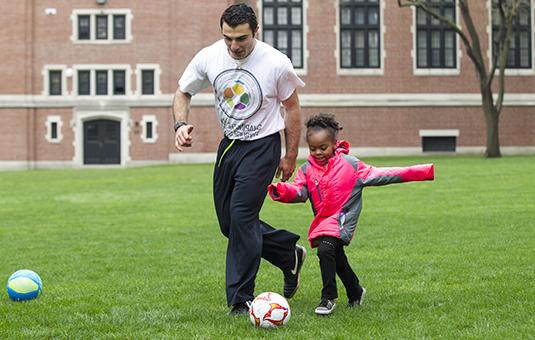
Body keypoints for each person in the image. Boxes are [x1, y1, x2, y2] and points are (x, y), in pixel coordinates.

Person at [172, 3, 306, 315]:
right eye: (228, 38)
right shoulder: (209, 56)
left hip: (263, 146)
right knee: (228, 223)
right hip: (230, 146)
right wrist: (180, 124)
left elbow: (292, 107)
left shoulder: (276, 62)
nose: (234, 46)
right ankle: (287, 253)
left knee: (243, 216)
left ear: (255, 32)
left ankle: (240, 299)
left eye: (241, 39)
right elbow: (182, 92)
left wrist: (290, 154)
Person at [268, 113, 434, 315]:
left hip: (342, 220)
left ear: (334, 143)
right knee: (337, 258)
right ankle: (355, 291)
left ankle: (328, 297)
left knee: (325, 250)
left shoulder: (351, 165)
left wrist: (422, 171)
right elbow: (301, 192)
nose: (318, 152)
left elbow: (385, 174)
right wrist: (283, 190)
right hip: (323, 221)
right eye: (313, 149)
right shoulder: (306, 170)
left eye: (323, 148)